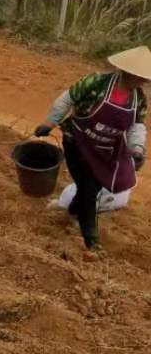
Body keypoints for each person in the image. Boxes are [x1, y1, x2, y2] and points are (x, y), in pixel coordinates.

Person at [34, 45, 150, 252]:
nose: (142, 81)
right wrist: (50, 122)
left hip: (105, 148)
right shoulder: (96, 82)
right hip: (76, 141)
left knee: (94, 186)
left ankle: (70, 212)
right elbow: (68, 98)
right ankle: (91, 238)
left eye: (144, 78)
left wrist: (137, 149)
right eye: (139, 76)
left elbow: (137, 126)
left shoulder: (138, 99)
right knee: (88, 186)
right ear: (127, 71)